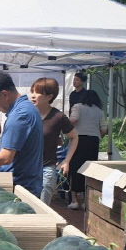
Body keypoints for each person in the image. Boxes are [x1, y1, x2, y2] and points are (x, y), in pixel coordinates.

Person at [29, 77, 78, 205]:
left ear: (49, 97)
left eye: (38, 92)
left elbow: (74, 137)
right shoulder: (26, 114)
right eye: (32, 91)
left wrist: (66, 161)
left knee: (43, 206)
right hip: (26, 168)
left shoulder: (58, 117)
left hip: (47, 167)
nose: (33, 96)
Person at [68, 73, 107, 210]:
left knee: (74, 168)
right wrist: (97, 135)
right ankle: (85, 201)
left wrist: (67, 128)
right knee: (88, 170)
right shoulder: (99, 111)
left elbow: (73, 120)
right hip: (93, 142)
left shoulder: (77, 106)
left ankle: (74, 201)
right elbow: (104, 129)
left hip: (78, 141)